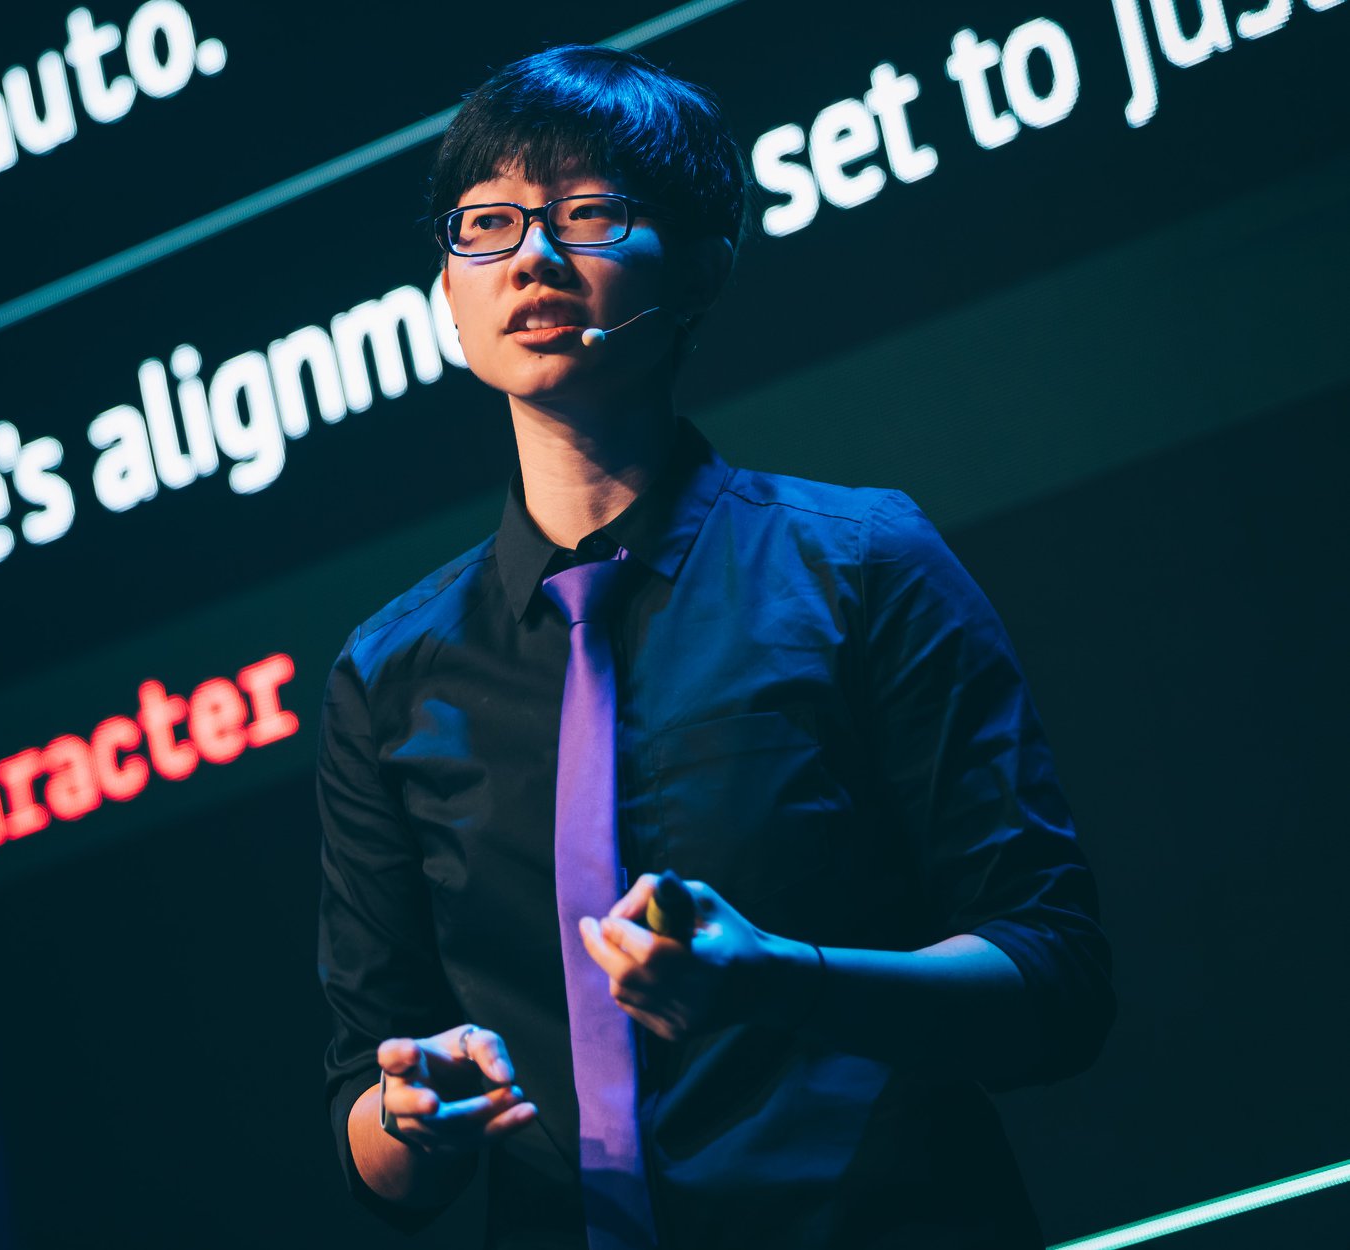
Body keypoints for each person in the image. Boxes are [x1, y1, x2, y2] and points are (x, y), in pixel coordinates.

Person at [316, 44, 1114, 1249]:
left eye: (587, 213)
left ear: (700, 266)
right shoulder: (388, 674)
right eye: (484, 222)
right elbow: (372, 1139)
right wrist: (409, 1116)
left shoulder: (860, 562)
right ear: (445, 288)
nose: (530, 256)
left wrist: (775, 977)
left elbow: (1055, 982)